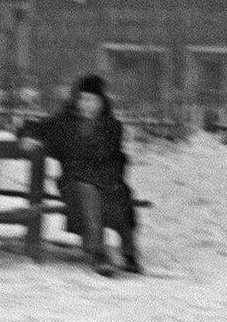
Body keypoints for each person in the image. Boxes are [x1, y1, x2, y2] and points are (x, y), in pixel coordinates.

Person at [17, 74, 141, 276]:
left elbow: (112, 158)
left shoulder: (112, 127)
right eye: (82, 99)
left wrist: (108, 173)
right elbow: (34, 125)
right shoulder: (65, 123)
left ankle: (129, 254)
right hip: (74, 182)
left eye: (91, 100)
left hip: (106, 181)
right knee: (89, 192)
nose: (86, 104)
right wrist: (28, 137)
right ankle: (97, 253)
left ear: (101, 102)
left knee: (120, 195)